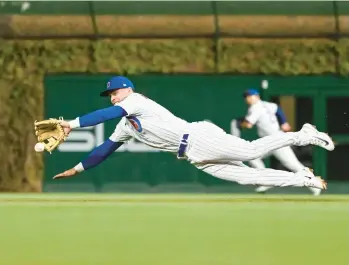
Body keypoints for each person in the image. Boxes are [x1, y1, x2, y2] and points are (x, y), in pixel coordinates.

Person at [53, 76, 334, 192]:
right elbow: (106, 148)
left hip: (199, 137)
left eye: (114, 92)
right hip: (194, 155)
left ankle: (303, 134)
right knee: (249, 177)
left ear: (127, 89)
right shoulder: (126, 124)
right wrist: (77, 169)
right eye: (110, 94)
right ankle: (302, 178)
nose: (112, 98)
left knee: (251, 151)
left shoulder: (135, 101)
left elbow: (105, 114)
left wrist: (72, 124)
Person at [236, 89, 321, 195]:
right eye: (246, 96)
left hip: (275, 140)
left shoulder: (255, 107)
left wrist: (240, 124)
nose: (247, 98)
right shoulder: (267, 105)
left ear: (257, 96)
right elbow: (278, 110)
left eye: (250, 96)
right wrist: (283, 122)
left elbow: (248, 125)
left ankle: (314, 183)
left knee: (292, 164)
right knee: (252, 156)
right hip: (271, 140)